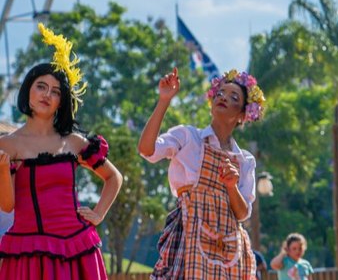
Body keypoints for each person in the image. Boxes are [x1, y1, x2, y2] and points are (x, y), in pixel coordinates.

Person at [0, 24, 123, 279]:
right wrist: (2, 168)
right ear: (28, 91)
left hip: (76, 248)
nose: (47, 94)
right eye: (41, 86)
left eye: (55, 91)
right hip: (28, 250)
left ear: (61, 102)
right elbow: (7, 205)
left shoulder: (75, 143)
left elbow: (114, 178)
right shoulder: (7, 145)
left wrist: (99, 213)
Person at [139, 68, 266, 279]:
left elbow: (243, 214)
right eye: (220, 93)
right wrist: (164, 101)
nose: (223, 97)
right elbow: (146, 150)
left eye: (233, 97)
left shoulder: (245, 160)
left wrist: (231, 186)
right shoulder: (188, 137)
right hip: (188, 238)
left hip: (230, 249)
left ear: (243, 115)